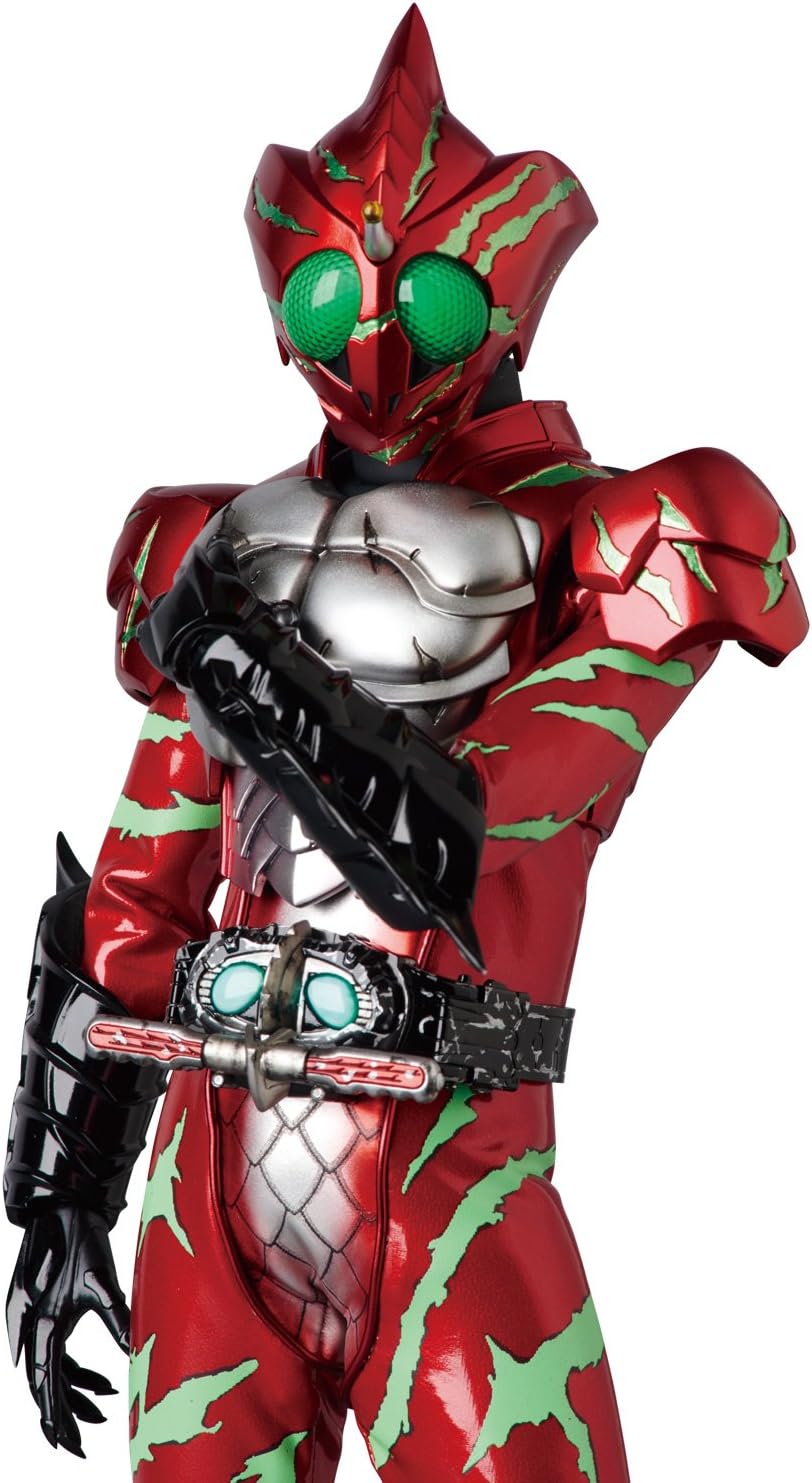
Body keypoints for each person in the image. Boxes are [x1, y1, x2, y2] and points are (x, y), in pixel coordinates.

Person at [5, 8, 806, 1482]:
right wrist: (62, 1189)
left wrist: (242, 661)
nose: (372, 336)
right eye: (330, 295)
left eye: (424, 299)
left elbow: (467, 831)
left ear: (504, 294)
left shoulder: (612, 537)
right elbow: (130, 903)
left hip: (446, 1162)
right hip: (209, 1166)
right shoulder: (219, 540)